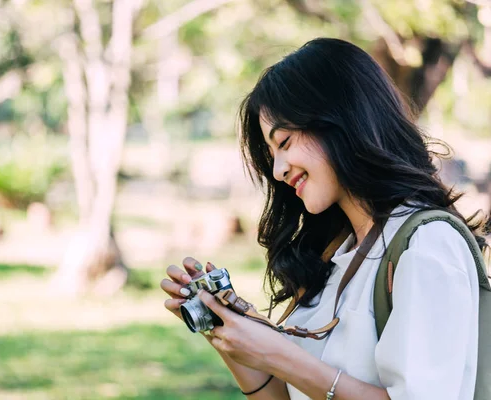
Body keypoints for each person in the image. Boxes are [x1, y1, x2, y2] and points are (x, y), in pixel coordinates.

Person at [161, 38, 489, 400]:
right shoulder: (335, 255)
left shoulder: (426, 245)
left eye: (284, 142)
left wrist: (278, 354)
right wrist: (229, 333)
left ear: (343, 121)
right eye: (270, 153)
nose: (279, 169)